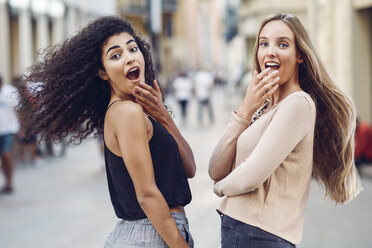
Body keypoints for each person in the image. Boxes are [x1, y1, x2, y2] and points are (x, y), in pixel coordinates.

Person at [16, 16, 196, 247]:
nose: (129, 57)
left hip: (158, 232)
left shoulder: (137, 112)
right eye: (115, 55)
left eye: (133, 49)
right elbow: (147, 194)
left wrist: (163, 116)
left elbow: (190, 168)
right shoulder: (126, 113)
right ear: (103, 73)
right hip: (153, 234)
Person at [208, 13, 362, 247]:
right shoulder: (267, 108)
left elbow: (250, 176)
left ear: (300, 55)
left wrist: (220, 190)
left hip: (259, 234)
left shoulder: (297, 104)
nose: (270, 51)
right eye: (263, 43)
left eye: (282, 44)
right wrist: (244, 111)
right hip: (245, 231)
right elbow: (216, 169)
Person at [0, 75, 20, 194]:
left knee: (6, 155)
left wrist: (22, 127)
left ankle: (9, 182)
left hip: (9, 130)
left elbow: (18, 110)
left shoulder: (10, 92)